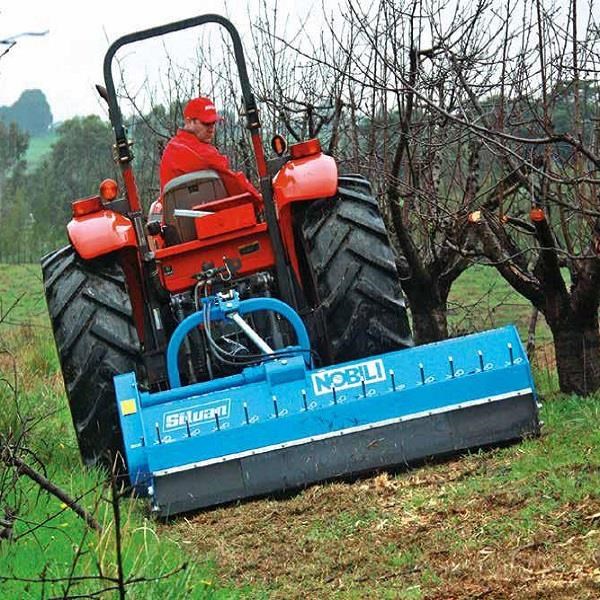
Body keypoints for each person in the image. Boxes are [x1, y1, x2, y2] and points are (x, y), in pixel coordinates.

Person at [159, 96, 260, 200]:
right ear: (189, 122)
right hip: (205, 214)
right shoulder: (204, 153)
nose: (211, 129)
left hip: (175, 214)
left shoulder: (170, 149)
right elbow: (235, 184)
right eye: (206, 123)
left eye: (213, 123)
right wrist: (261, 201)